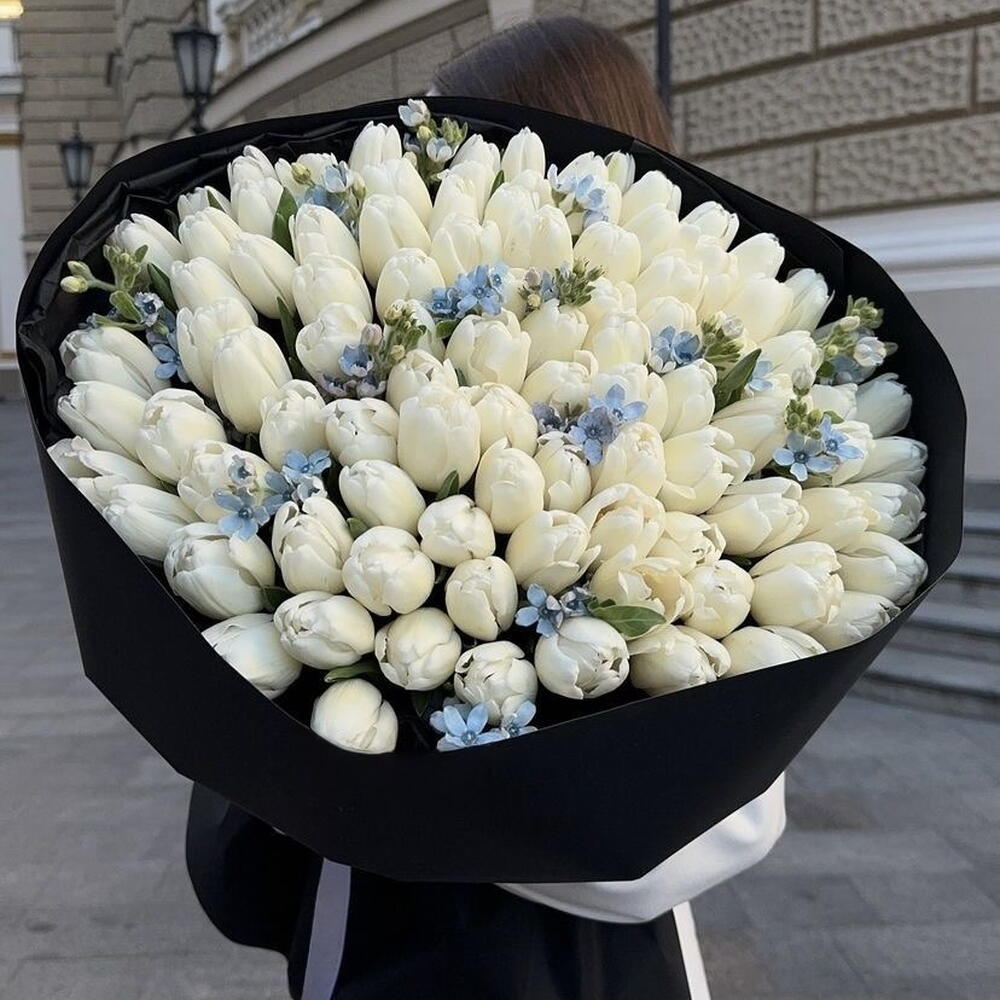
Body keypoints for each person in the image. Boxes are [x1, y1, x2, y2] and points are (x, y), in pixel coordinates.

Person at [187, 16, 788, 1000]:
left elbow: (732, 819)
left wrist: (408, 803)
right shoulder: (382, 344)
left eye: (466, 148)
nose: (436, 176)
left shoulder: (689, 404)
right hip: (380, 940)